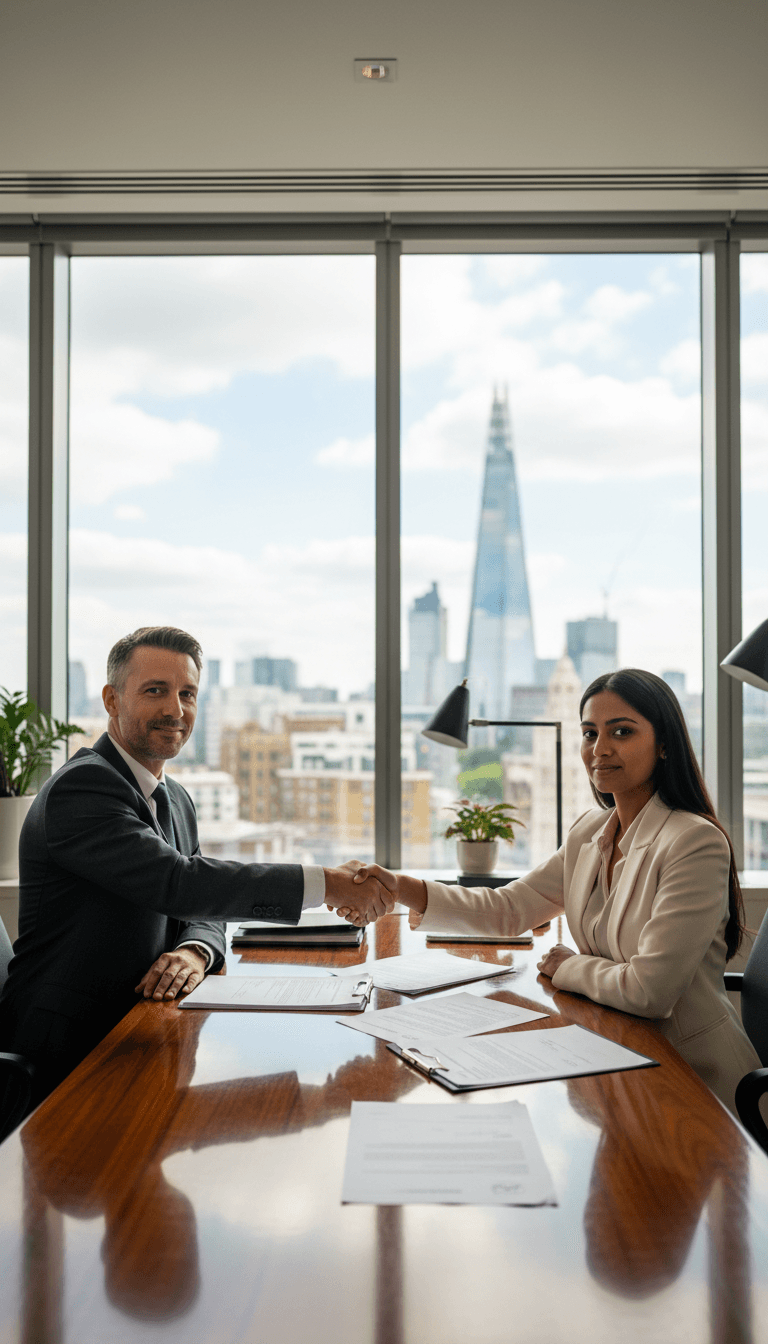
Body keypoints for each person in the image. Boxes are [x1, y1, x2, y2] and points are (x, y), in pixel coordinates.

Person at [0, 626, 392, 1103]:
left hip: (146, 1029)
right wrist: (327, 884)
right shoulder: (82, 789)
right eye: (155, 691)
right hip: (72, 1046)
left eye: (188, 693)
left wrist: (195, 952)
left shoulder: (176, 798)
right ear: (111, 699)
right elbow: (179, 883)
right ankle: (315, 1101)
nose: (175, 709)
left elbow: (203, 907)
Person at [347, 668, 761, 1114]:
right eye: (589, 733)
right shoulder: (590, 830)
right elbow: (507, 909)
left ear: (664, 745)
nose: (600, 749)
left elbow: (649, 993)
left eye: (621, 732)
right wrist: (400, 886)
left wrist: (568, 966)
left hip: (697, 1085)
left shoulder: (693, 842)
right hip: (617, 1058)